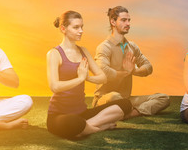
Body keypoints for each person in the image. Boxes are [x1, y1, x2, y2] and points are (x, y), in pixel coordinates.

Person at [46, 11, 132, 139]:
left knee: (125, 105)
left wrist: (87, 77)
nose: (80, 31)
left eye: (82, 27)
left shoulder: (83, 51)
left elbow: (102, 77)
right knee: (74, 122)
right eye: (76, 27)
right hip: (59, 116)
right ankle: (98, 128)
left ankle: (85, 128)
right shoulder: (54, 54)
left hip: (82, 113)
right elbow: (54, 86)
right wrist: (80, 78)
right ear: (63, 29)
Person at [93, 6, 170, 118]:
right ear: (113, 22)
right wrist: (125, 72)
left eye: (129, 20)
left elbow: (148, 67)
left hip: (126, 99)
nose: (128, 23)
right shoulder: (104, 47)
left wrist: (134, 70)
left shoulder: (131, 47)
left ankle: (130, 113)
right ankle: (123, 110)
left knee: (163, 98)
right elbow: (103, 72)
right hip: (105, 99)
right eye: (124, 20)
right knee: (114, 97)